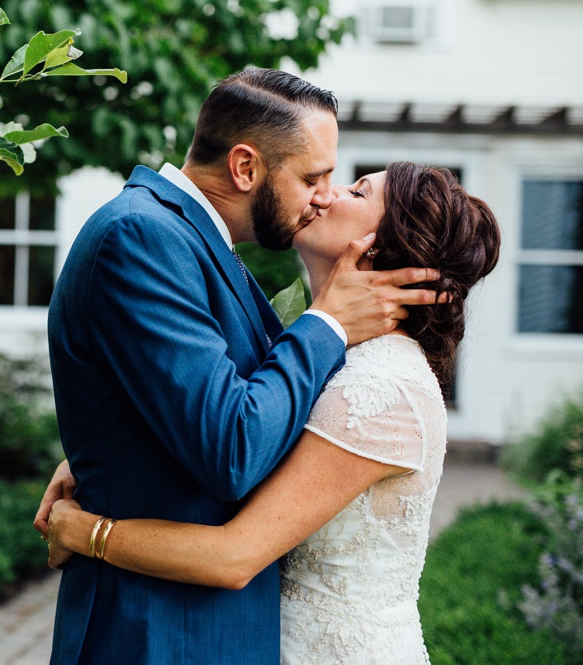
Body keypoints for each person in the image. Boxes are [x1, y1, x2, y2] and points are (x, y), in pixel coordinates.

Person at [36, 67, 446, 664]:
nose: (324, 195)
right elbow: (233, 447)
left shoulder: (197, 242)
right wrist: (327, 324)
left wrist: (106, 451)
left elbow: (211, 404)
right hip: (156, 634)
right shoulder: (143, 237)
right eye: (313, 177)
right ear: (246, 167)